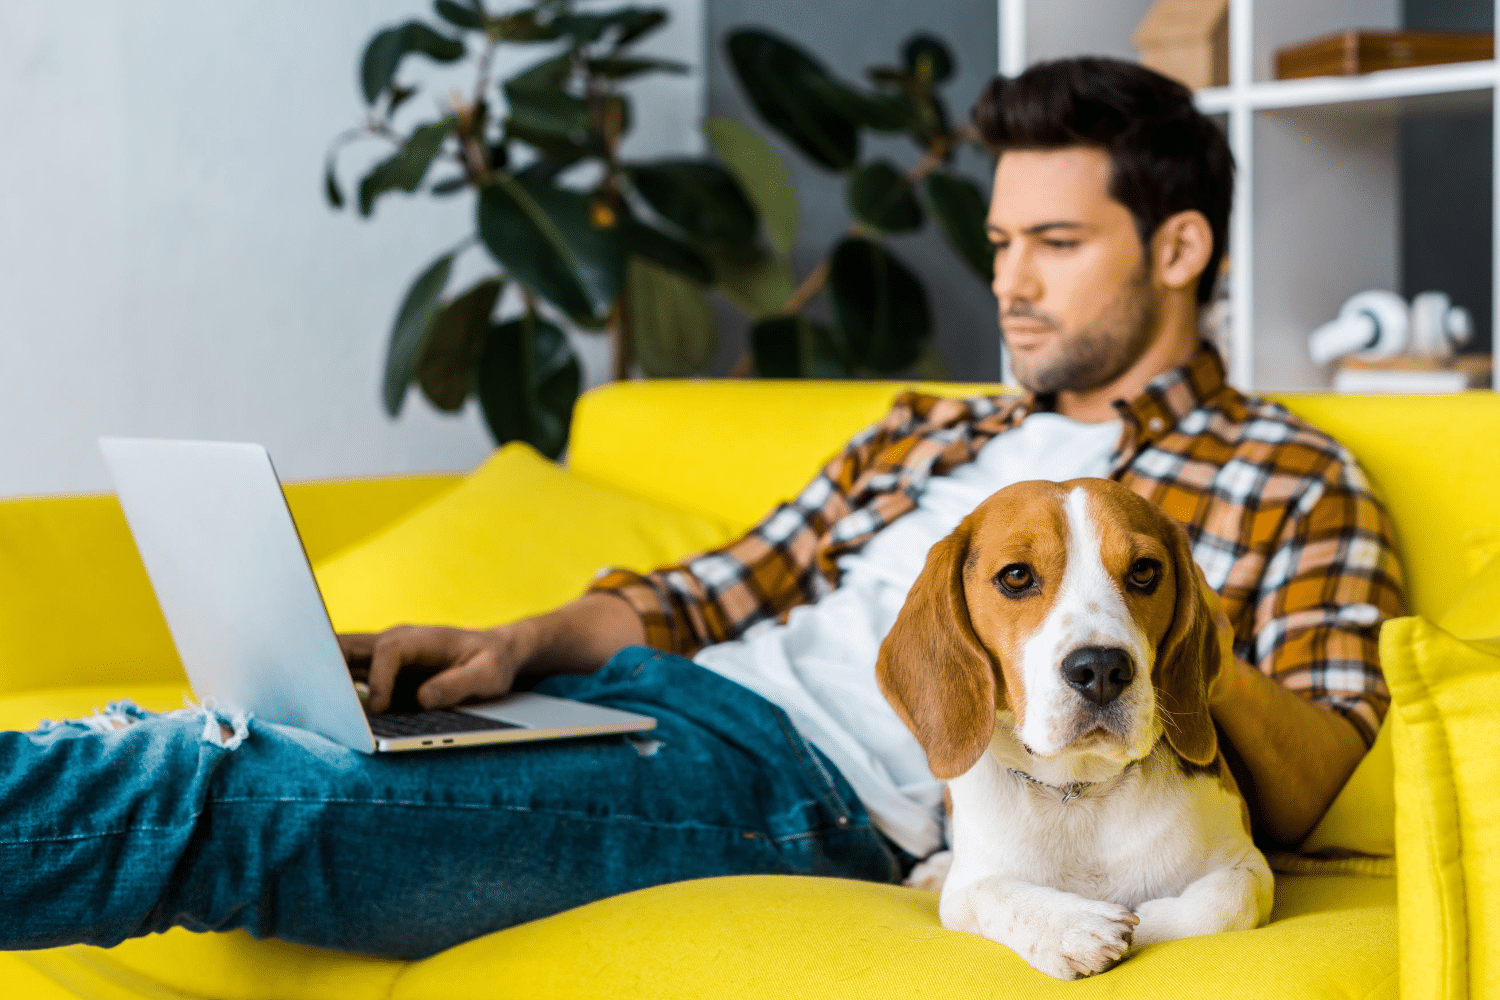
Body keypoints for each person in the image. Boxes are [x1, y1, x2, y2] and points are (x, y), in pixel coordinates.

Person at [0, 57, 1402, 960]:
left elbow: (1325, 760)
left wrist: (1150, 631)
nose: (1011, 284)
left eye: (1054, 244)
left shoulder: (1285, 474)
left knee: (222, 786)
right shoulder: (934, 428)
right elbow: (722, 581)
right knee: (246, 729)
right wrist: (518, 650)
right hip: (655, 703)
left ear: (1177, 247)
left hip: (796, 795)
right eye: (998, 245)